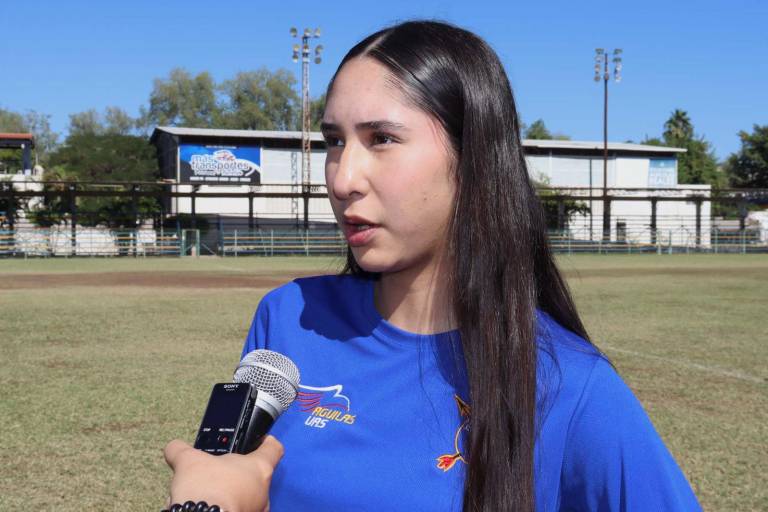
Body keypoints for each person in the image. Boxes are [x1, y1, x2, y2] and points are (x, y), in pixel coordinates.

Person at [165, 20, 701, 512]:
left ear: (473, 158)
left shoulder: (571, 386)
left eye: (382, 139)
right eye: (334, 141)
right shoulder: (288, 318)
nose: (343, 178)